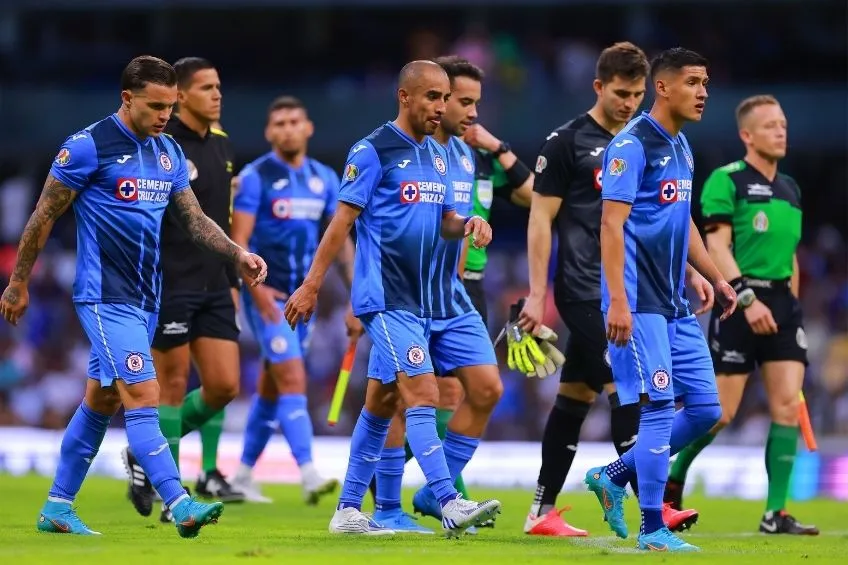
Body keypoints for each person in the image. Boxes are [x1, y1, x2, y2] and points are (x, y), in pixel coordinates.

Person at [0, 55, 267, 537]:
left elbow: (193, 218)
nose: (166, 115)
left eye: (171, 106)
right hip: (104, 296)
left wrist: (236, 253)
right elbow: (43, 217)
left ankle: (57, 507)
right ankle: (180, 502)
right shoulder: (87, 147)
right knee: (144, 394)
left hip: (147, 299)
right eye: (156, 105)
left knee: (102, 400)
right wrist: (18, 283)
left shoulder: (165, 152)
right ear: (128, 98)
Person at [284, 60, 501, 537]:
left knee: (397, 398)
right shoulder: (373, 150)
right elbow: (340, 223)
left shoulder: (440, 154)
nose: (440, 107)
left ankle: (346, 511)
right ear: (405, 97)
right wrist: (312, 284)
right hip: (388, 298)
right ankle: (449, 500)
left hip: (438, 298)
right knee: (420, 393)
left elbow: (445, 220)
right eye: (432, 98)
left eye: (445, 98)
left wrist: (468, 224)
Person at [517, 42, 699, 536]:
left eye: (638, 94)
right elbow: (539, 218)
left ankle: (540, 511)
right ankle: (651, 508)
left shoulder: (650, 139)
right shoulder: (566, 142)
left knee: (576, 393)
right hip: (586, 289)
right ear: (598, 87)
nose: (629, 103)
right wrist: (537, 294)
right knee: (632, 391)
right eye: (621, 93)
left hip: (635, 286)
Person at [581, 47, 737, 552]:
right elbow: (611, 223)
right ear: (663, 87)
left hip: (673, 300)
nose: (704, 92)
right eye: (694, 82)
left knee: (707, 409)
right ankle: (652, 528)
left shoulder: (682, 146)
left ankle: (613, 474)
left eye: (707, 82)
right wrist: (618, 303)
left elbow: (682, 221)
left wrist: (711, 275)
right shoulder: (632, 145)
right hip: (639, 301)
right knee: (658, 407)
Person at [664, 95, 818, 535]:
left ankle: (776, 513)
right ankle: (675, 475)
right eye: (770, 125)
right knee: (719, 413)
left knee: (787, 406)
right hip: (740, 301)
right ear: (746, 135)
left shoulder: (791, 188)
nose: (781, 131)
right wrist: (748, 301)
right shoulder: (725, 181)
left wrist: (792, 306)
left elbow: (790, 258)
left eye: (783, 124)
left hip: (784, 309)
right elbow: (717, 248)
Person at [364, 55, 503, 535]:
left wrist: (469, 232)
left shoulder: (461, 156)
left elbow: (452, 225)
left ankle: (427, 492)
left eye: (465, 101)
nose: (465, 111)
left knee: (483, 389)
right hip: (398, 295)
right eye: (457, 100)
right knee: (399, 399)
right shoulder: (390, 151)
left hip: (449, 296)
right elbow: (354, 223)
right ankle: (389, 506)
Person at [122, 57, 245, 525]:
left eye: (219, 86)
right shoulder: (163, 148)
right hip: (171, 279)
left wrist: (233, 277)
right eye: (206, 88)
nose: (217, 95)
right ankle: (171, 492)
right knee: (171, 385)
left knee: (223, 386)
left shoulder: (222, 145)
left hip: (215, 283)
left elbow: (222, 219)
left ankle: (145, 452)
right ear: (181, 98)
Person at [228, 96, 350, 505]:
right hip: (268, 294)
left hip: (304, 298)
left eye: (294, 121)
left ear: (308, 127)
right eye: (278, 122)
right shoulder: (254, 177)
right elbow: (239, 241)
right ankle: (309, 473)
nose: (287, 128)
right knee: (294, 378)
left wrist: (357, 297)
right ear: (269, 132)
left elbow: (341, 242)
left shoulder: (325, 179)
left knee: (272, 384)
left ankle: (242, 475)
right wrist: (258, 292)